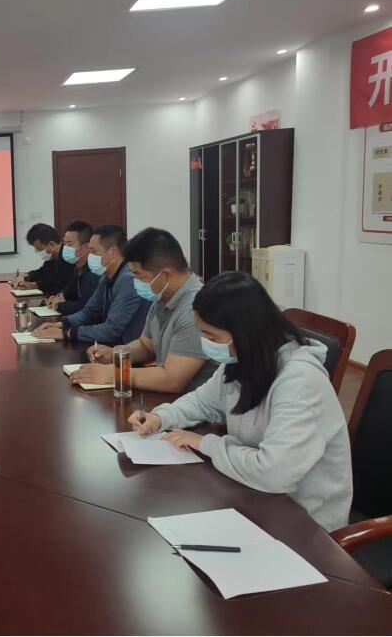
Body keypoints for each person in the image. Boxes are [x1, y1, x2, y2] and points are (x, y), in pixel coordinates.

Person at [127, 272, 353, 532]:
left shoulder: (301, 381)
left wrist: (205, 443)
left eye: (212, 337)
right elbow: (202, 401)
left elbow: (274, 473)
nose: (206, 344)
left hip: (305, 523)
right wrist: (161, 417)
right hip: (252, 494)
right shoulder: (244, 359)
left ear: (245, 332)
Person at [70, 227, 215, 393]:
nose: (135, 281)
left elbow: (172, 380)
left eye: (139, 276)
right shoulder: (161, 297)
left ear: (165, 275)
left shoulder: (195, 309)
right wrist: (116, 354)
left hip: (194, 404)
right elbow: (147, 346)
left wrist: (115, 374)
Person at [32, 225, 150, 344]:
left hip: (128, 348)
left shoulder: (129, 280)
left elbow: (111, 330)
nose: (90, 256)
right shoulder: (105, 276)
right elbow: (89, 312)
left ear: (112, 252)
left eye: (93, 251)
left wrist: (67, 333)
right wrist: (61, 324)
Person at [47, 220, 100, 314]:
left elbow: (85, 306)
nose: (65, 248)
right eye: (64, 243)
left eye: (70, 244)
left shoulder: (94, 271)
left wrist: (59, 305)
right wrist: (56, 297)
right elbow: (68, 292)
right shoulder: (77, 267)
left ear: (85, 247)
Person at [13, 223, 74, 296]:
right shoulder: (52, 258)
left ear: (51, 244)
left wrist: (35, 285)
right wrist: (26, 276)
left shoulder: (67, 258)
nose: (38, 252)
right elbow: (42, 272)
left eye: (39, 249)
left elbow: (56, 282)